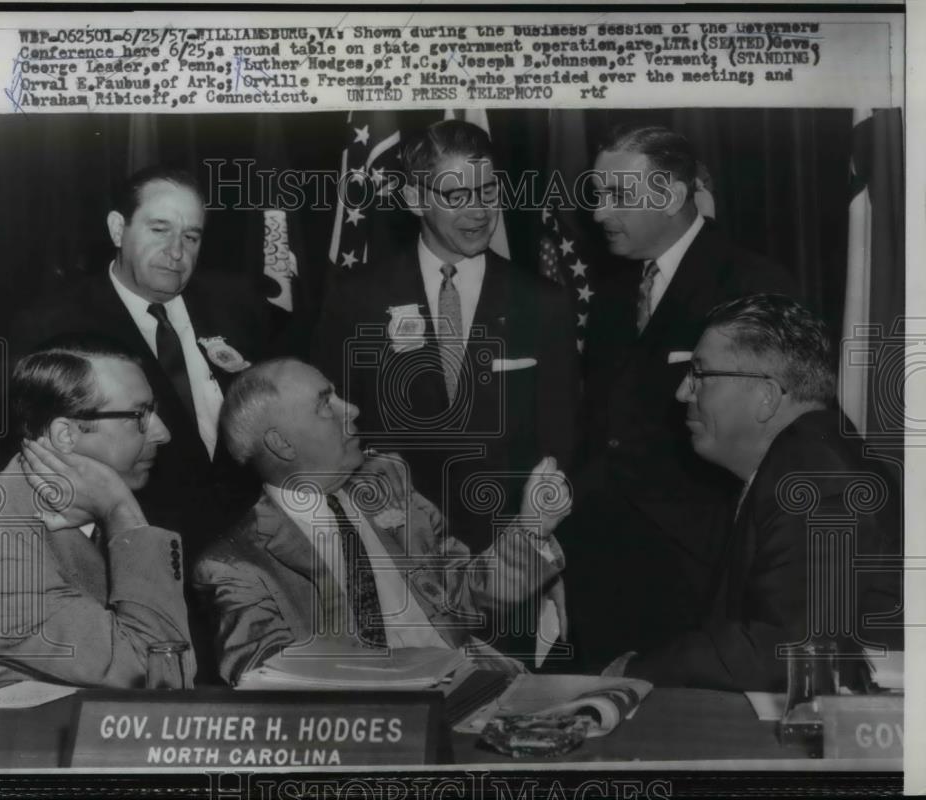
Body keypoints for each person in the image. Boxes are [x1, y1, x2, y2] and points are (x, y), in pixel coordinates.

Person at [312, 120, 578, 665]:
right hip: (395, 567)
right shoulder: (356, 299)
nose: (478, 212)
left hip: (508, 570)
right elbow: (333, 433)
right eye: (457, 195)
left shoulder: (543, 304)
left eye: (488, 192)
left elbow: (562, 445)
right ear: (414, 197)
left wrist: (545, 557)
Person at [566, 125, 798, 668]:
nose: (599, 213)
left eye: (617, 196)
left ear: (670, 195)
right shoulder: (613, 292)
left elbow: (775, 440)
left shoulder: (750, 283)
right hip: (600, 567)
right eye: (597, 196)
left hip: (700, 570)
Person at [192, 358, 571, 685]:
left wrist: (532, 528)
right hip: (376, 729)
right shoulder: (235, 566)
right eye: (326, 404)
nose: (351, 408)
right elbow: (268, 683)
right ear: (282, 444)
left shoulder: (387, 482)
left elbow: (464, 598)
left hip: (475, 686)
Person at [605, 295, 902, 691]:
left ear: (765, 395)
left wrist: (635, 673)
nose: (682, 392)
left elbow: (789, 649)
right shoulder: (806, 456)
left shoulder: (814, 474)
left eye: (699, 374)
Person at [11, 165, 288, 562]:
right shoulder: (53, 324)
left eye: (191, 236)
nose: (177, 253)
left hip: (257, 544)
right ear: (118, 230)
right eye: (159, 230)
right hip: (135, 551)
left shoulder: (238, 303)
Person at [0, 336, 195, 688]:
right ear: (65, 435)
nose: (163, 432)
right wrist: (122, 512)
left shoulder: (74, 501)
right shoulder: (0, 562)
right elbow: (160, 676)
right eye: (139, 415)